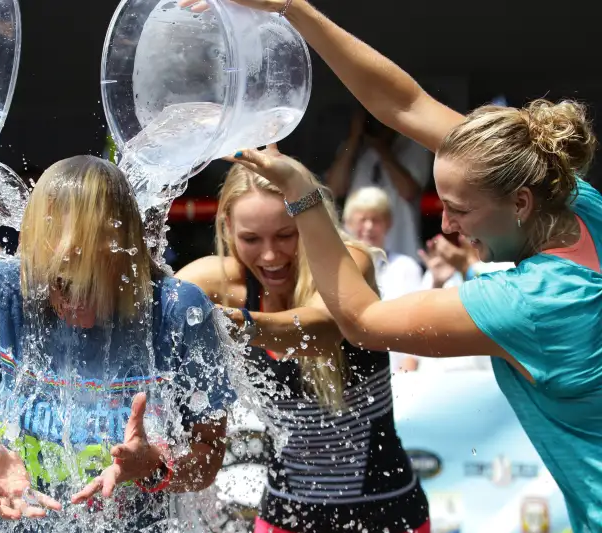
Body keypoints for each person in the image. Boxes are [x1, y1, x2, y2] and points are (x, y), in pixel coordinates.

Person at [211, 1, 602, 529]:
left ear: (520, 203)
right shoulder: (568, 194)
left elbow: (362, 322)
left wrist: (303, 196)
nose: (446, 227)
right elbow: (406, 103)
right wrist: (292, 9)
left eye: (460, 211)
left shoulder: (532, 303)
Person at [0, 156, 234, 532]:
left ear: (126, 257)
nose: (73, 300)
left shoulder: (177, 311)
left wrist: (155, 465)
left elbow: (208, 455)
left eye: (91, 278)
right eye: (59, 280)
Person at [176, 163, 430, 533]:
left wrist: (238, 325)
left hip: (384, 513)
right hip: (285, 514)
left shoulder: (349, 262)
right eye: (251, 239)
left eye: (285, 235)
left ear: (309, 222)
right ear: (227, 227)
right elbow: (149, 305)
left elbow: (323, 329)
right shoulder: (218, 283)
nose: (269, 256)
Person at [326, 107, 432, 259]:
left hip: (400, 250)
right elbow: (333, 189)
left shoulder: (414, 146)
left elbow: (409, 191)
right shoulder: (355, 149)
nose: (377, 125)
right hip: (357, 252)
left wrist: (380, 147)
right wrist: (354, 137)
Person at [342, 186, 423, 371]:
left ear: (388, 224)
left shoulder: (406, 267)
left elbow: (418, 321)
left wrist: (411, 362)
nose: (369, 227)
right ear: (348, 223)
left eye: (376, 220)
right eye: (362, 219)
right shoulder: (338, 269)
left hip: (400, 370)